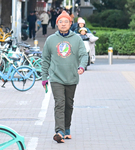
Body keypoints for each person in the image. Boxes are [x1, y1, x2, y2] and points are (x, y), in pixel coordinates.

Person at [42, 10, 88, 143]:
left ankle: (67, 129)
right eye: (60, 22)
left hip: (72, 77)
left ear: (70, 24)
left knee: (69, 104)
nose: (63, 24)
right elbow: (45, 59)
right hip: (56, 78)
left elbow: (84, 55)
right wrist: (44, 77)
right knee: (59, 104)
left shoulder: (76, 39)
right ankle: (59, 131)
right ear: (57, 24)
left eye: (66, 22)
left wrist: (81, 66)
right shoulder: (51, 40)